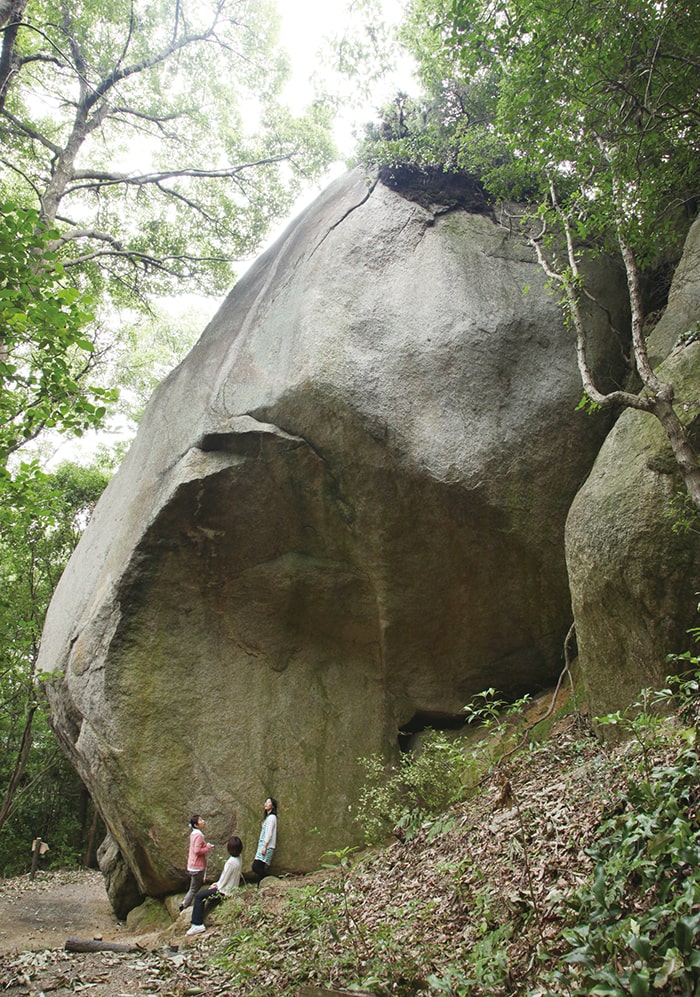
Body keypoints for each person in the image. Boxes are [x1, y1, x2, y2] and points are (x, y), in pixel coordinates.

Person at [186, 835, 243, 935]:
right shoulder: (239, 858)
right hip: (232, 889)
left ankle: (197, 924)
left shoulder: (230, 862)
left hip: (224, 891)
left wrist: (216, 885)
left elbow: (225, 878)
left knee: (199, 896)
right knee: (205, 896)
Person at [179, 814, 214, 911]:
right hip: (197, 867)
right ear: (196, 825)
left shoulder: (194, 834)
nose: (203, 821)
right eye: (201, 820)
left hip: (192, 865)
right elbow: (197, 851)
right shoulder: (198, 835)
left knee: (194, 886)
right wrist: (208, 847)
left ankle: (186, 903)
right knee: (194, 888)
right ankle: (185, 905)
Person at [251, 797, 277, 884]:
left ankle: (270, 881)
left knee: (256, 867)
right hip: (264, 845)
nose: (266, 804)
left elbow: (269, 833)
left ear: (272, 806)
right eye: (265, 802)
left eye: (268, 802)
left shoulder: (271, 818)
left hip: (267, 846)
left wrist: (264, 846)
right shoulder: (269, 818)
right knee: (260, 867)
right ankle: (261, 885)